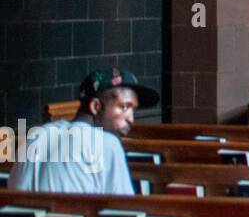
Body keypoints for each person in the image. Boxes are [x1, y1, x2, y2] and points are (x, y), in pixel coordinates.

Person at [7, 68, 159, 195]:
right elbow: (124, 213)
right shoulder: (107, 144)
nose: (131, 119)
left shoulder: (37, 135)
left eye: (133, 110)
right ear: (96, 107)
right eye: (125, 107)